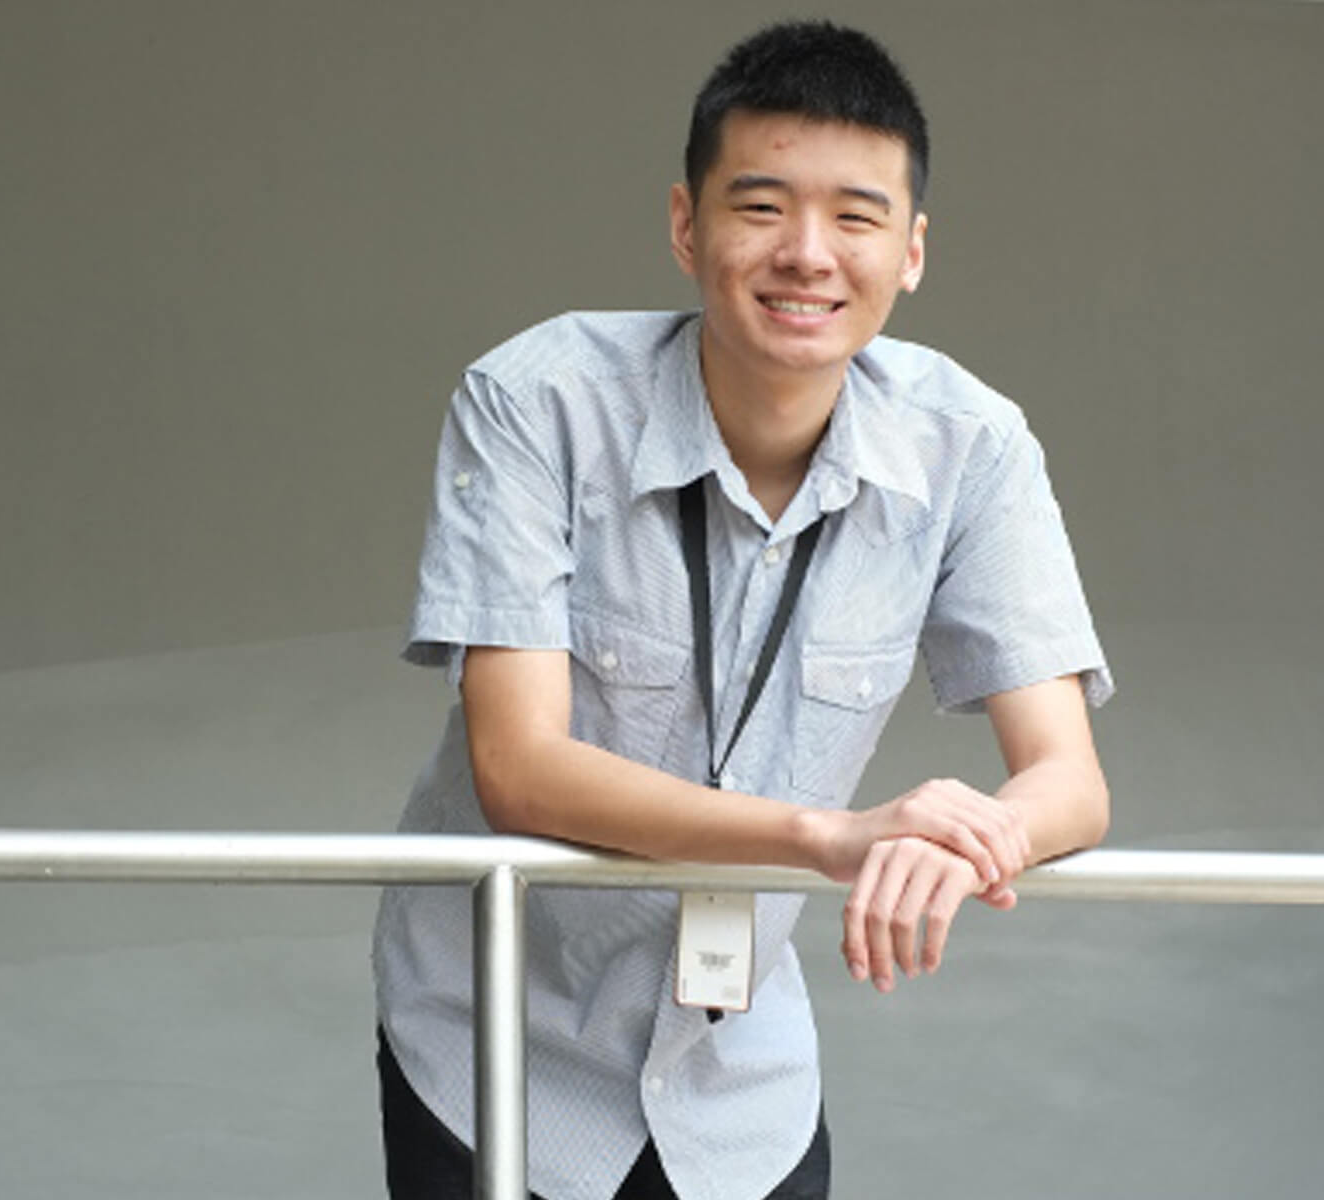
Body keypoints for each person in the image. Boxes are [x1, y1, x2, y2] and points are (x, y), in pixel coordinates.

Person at [373, 19, 1113, 1200]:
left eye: (856, 217)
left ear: (911, 250)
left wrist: (970, 839)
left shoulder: (971, 446)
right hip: (495, 1031)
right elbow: (515, 764)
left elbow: (1070, 782)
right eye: (761, 207)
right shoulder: (535, 404)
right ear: (686, 226)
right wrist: (829, 839)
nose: (808, 253)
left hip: (739, 1069)